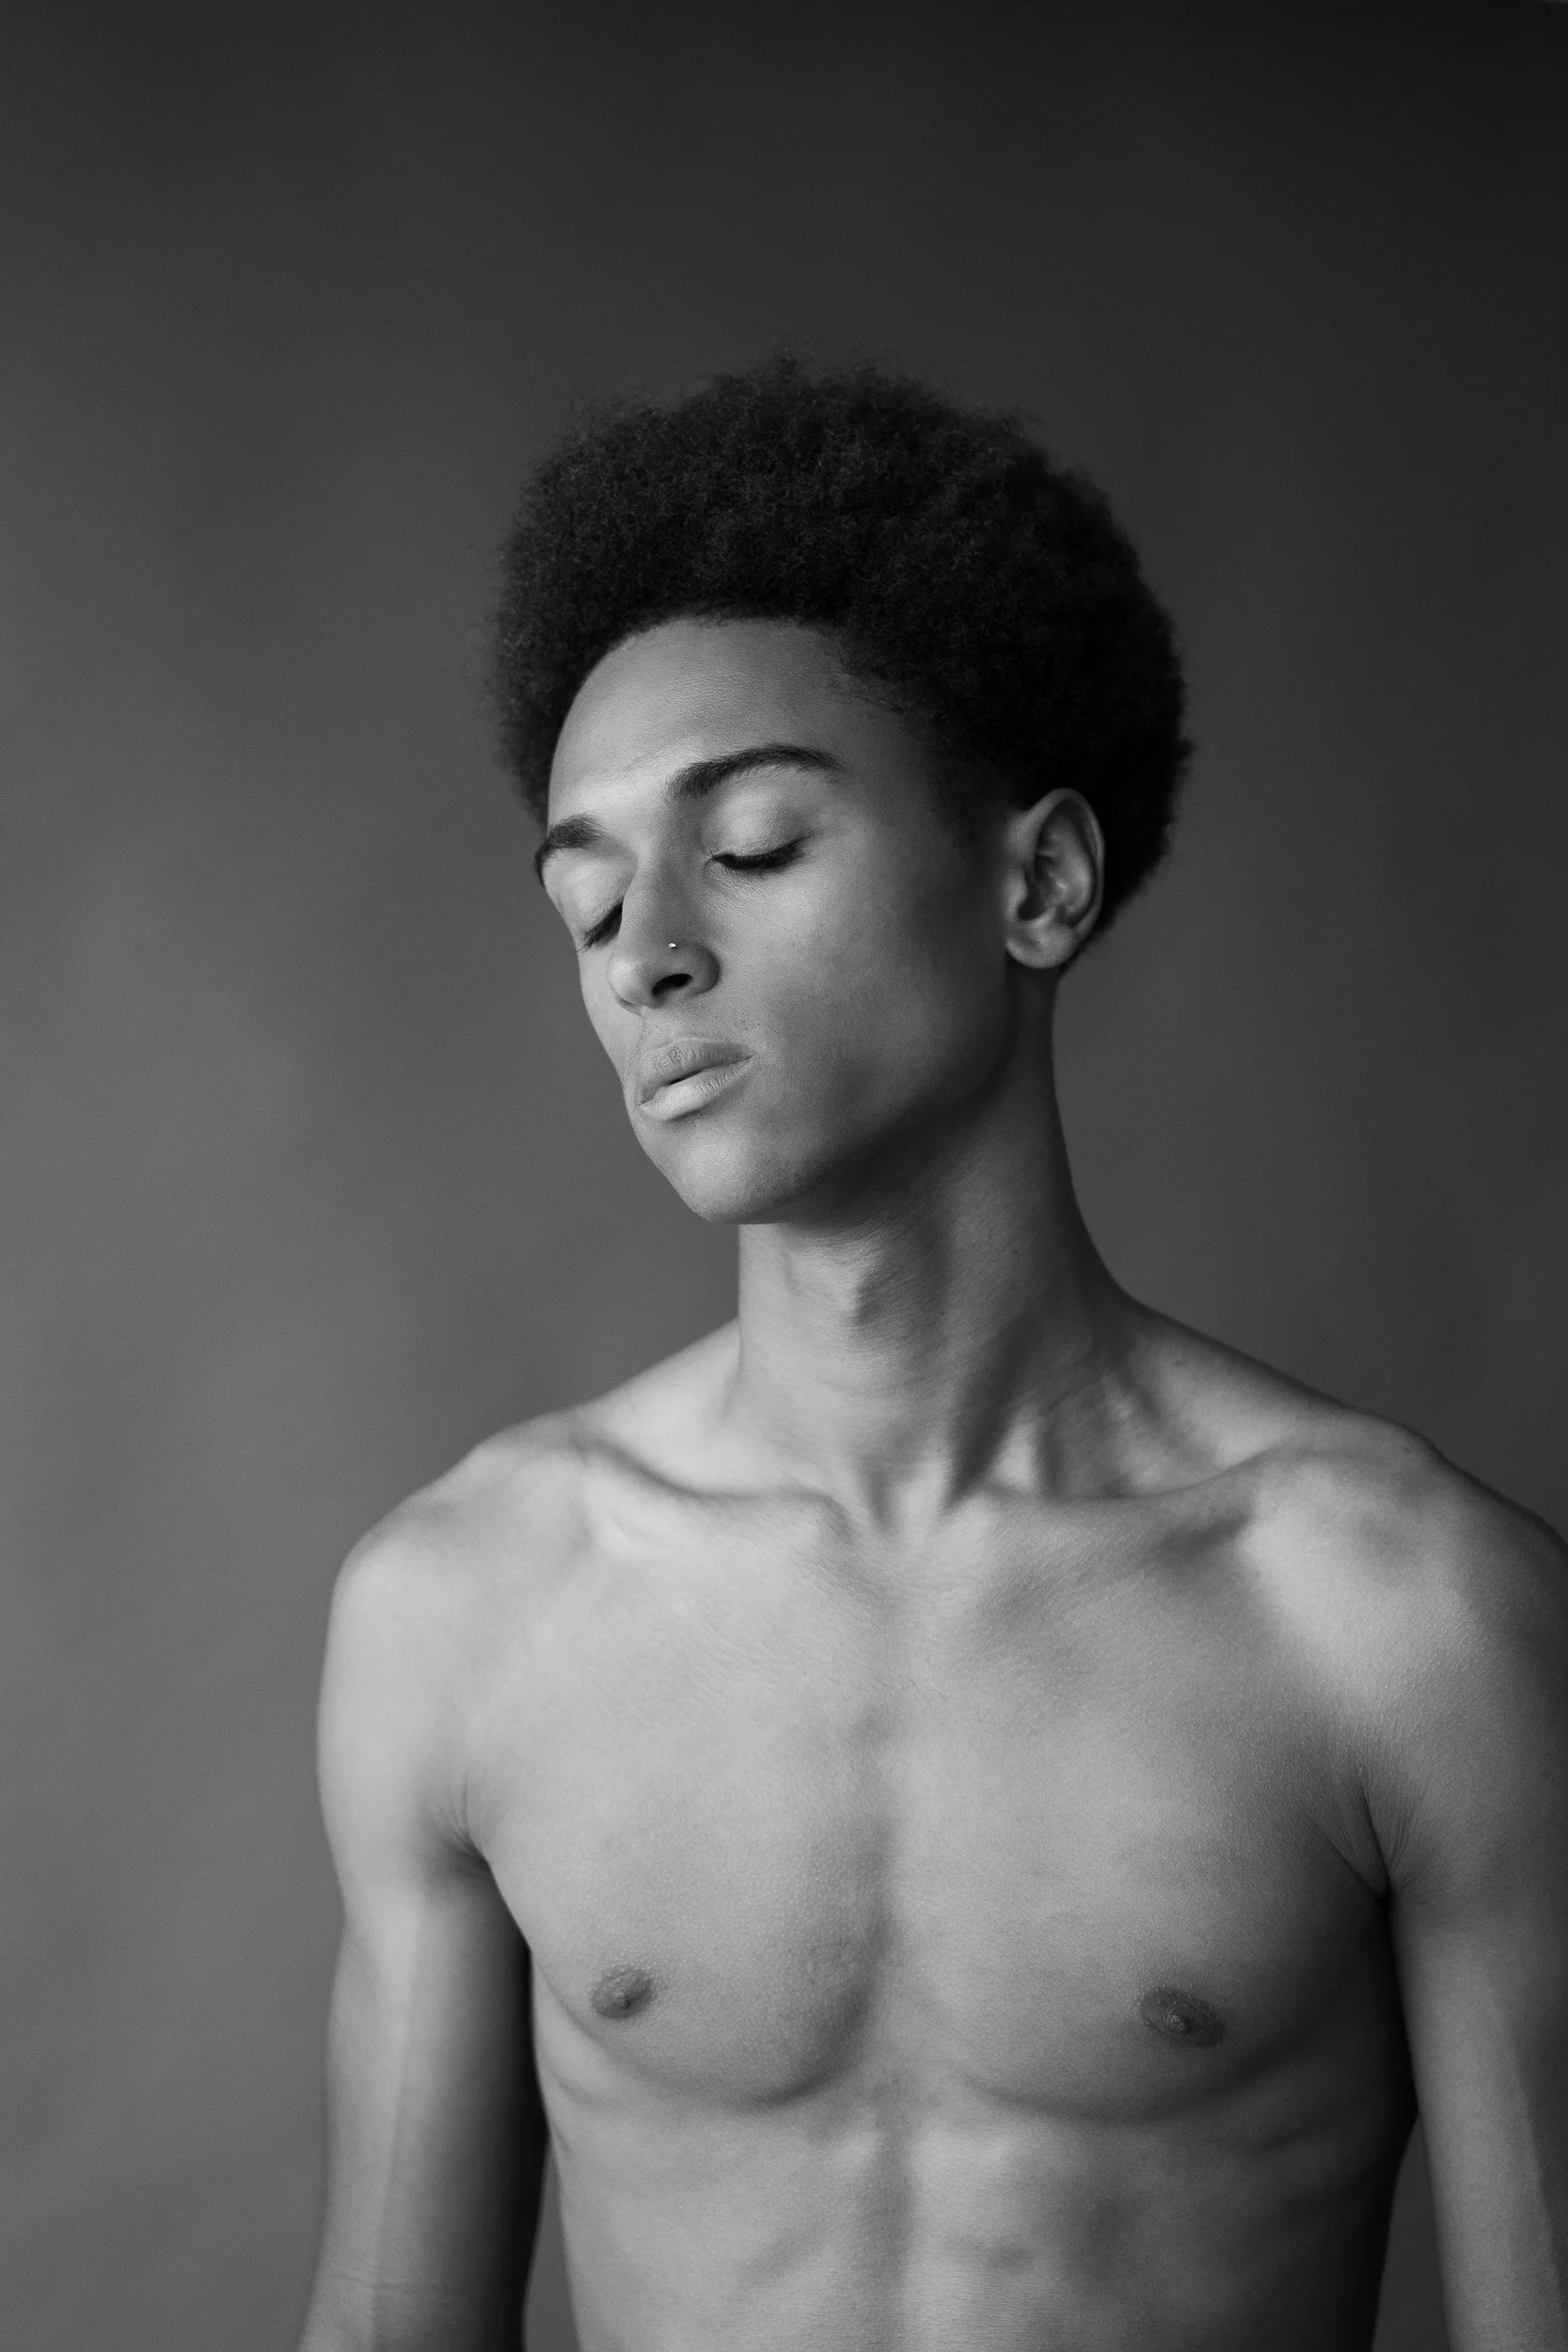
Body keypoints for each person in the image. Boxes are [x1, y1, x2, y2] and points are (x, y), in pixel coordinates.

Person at [295, 357, 1568, 2352]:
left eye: (758, 842)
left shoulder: (1404, 1619)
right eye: (587, 890)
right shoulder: (463, 1609)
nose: (644, 952)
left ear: (1035, 880)